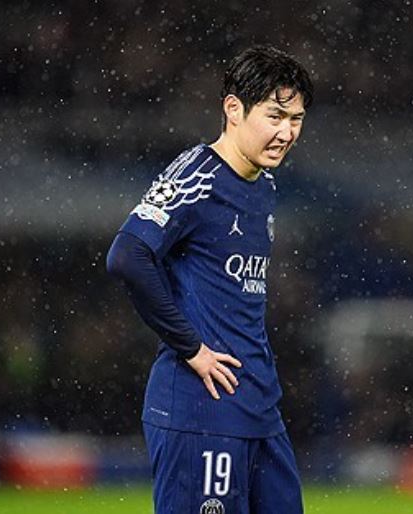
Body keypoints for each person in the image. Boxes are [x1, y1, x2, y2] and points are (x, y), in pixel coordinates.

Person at [106, 45, 313, 514]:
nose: (286, 132)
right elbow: (127, 256)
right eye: (275, 116)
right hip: (201, 408)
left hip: (259, 409)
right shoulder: (197, 175)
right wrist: (192, 348)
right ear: (234, 109)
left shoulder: (265, 184)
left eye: (296, 119)